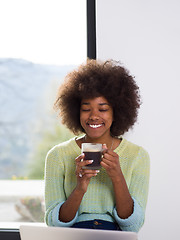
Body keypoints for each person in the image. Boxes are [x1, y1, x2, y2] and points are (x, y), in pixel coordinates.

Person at [44, 59, 150, 232]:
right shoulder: (58, 155)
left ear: (117, 112)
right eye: (86, 109)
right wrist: (80, 188)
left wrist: (117, 177)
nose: (93, 116)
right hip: (73, 234)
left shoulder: (138, 155)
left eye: (102, 109)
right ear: (76, 111)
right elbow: (54, 224)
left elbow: (133, 225)